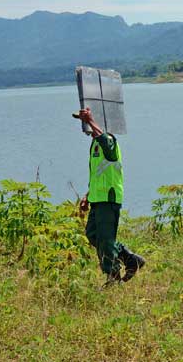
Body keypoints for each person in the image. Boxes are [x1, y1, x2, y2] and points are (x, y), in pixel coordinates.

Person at [75, 107, 145, 286]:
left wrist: (91, 120)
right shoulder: (95, 144)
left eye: (87, 122)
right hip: (97, 199)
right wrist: (87, 196)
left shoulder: (109, 141)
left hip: (109, 199)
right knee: (93, 235)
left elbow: (106, 141)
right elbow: (99, 173)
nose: (86, 127)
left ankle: (113, 278)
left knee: (105, 240)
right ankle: (130, 258)